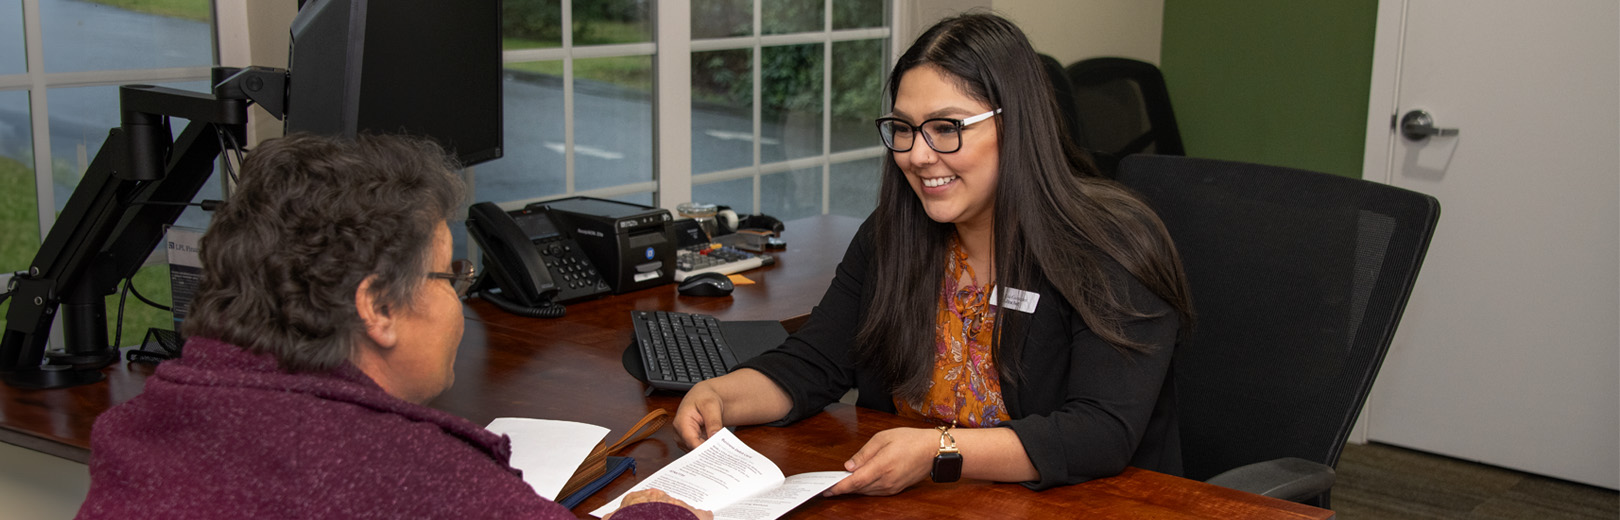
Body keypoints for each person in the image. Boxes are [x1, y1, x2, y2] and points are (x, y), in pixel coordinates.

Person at [673, 12, 1194, 496]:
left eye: (947, 128)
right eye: (903, 129)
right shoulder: (892, 234)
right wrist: (721, 395)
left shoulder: (1110, 243)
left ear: (1015, 125)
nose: (919, 156)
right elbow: (814, 362)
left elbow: (1099, 432)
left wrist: (939, 450)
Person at [76, 134, 708, 520]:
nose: (460, 298)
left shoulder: (143, 425)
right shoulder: (407, 474)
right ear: (377, 307)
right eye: (449, 275)